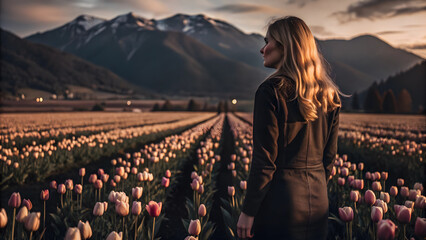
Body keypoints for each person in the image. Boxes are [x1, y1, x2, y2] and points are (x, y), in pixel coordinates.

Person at [236, 16, 342, 239]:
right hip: (318, 200)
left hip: (280, 203)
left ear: (285, 46)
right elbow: (329, 158)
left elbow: (265, 161)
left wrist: (248, 211)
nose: (262, 49)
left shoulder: (270, 91)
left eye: (268, 41)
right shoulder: (329, 95)